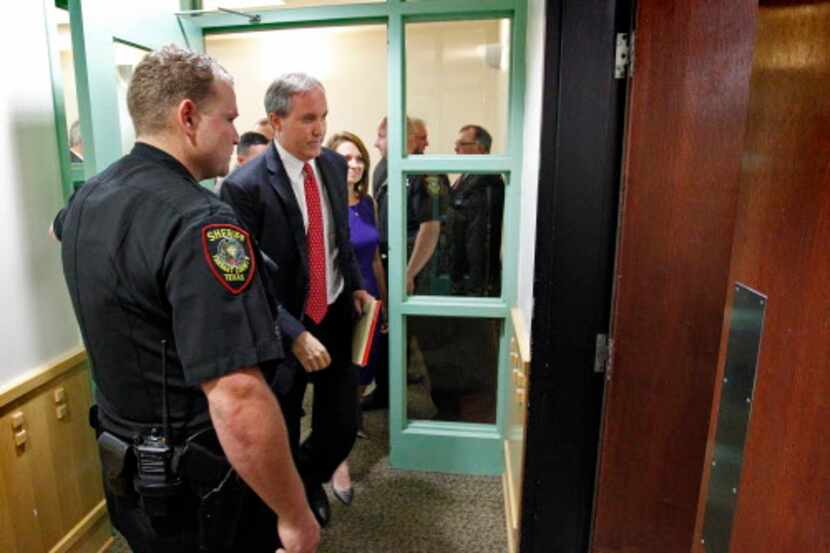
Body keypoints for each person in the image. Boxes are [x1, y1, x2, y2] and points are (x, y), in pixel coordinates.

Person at [54, 46, 319, 553]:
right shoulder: (202, 222)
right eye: (229, 118)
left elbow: (61, 231)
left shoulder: (91, 195)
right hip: (200, 487)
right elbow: (236, 395)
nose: (236, 134)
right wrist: (294, 512)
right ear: (188, 117)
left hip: (126, 471)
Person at [220, 73, 371, 528]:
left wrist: (358, 282)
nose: (319, 129)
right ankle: (291, 505)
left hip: (337, 310)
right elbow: (247, 279)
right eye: (308, 119)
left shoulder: (329, 164)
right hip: (282, 327)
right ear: (276, 120)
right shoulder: (243, 187)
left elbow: (339, 237)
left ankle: (304, 481)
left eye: (323, 117)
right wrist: (294, 333)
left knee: (342, 424)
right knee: (282, 426)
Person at [325, 131, 387, 506]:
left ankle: (351, 424)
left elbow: (376, 256)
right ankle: (338, 461)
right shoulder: (322, 205)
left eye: (359, 158)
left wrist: (384, 299)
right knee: (339, 382)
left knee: (363, 374)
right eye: (346, 158)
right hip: (340, 304)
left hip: (371, 302)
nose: (355, 164)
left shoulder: (366, 203)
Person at [449, 124, 505, 296]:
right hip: (460, 275)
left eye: (461, 144)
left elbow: (481, 238)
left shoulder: (487, 181)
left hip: (473, 283)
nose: (455, 148)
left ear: (480, 149)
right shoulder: (468, 177)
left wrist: (476, 287)